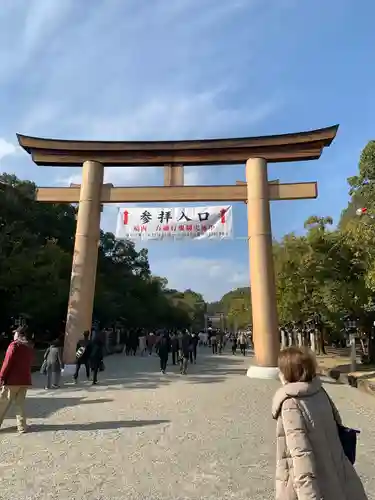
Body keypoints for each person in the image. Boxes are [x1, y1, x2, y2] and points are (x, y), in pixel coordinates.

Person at [272, 346, 368, 500]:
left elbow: (300, 456)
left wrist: (309, 495)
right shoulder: (319, 391)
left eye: (281, 369)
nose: (279, 373)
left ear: (288, 372)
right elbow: (338, 427)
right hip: (337, 474)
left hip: (311, 486)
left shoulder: (291, 403)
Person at [0, 326, 33, 434]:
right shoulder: (28, 347)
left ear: (18, 335)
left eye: (15, 333)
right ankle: (22, 427)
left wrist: (1, 377)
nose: (13, 335)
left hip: (12, 381)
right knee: (20, 404)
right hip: (25, 381)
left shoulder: (14, 345)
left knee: (2, 403)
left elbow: (7, 363)